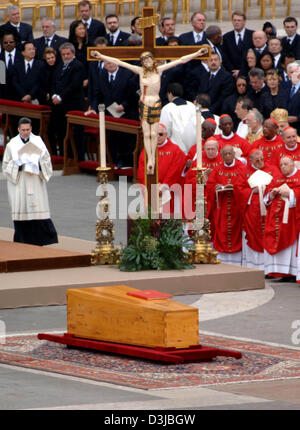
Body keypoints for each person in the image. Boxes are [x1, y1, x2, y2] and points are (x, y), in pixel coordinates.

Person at [91, 46, 208, 174]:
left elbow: (180, 60)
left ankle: (154, 156)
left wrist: (197, 53)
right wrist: (101, 56)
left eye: (149, 60)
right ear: (142, 62)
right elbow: (119, 62)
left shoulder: (159, 70)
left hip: (156, 103)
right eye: (145, 61)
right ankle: (150, 159)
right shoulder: (140, 71)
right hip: (145, 102)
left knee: (154, 133)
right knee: (147, 133)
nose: (147, 63)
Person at [2, 117, 58, 246]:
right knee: (22, 209)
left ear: (31, 128)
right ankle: (22, 240)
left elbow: (46, 161)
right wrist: (19, 164)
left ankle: (41, 240)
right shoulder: (12, 144)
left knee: (38, 209)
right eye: (23, 130)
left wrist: (36, 163)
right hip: (20, 180)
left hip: (35, 179)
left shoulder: (38, 141)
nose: (26, 132)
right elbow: (5, 166)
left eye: (28, 129)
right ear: (18, 129)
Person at [206, 144, 248, 265]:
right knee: (222, 231)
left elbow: (246, 186)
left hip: (236, 207)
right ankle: (222, 261)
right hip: (222, 208)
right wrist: (216, 187)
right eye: (225, 154)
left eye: (230, 153)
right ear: (221, 155)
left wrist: (235, 188)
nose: (228, 156)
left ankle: (237, 263)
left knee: (236, 231)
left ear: (234, 154)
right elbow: (209, 186)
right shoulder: (217, 169)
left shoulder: (242, 168)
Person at [242, 148, 280, 270]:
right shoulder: (245, 171)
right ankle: (253, 267)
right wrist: (252, 191)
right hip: (252, 212)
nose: (260, 161)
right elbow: (239, 189)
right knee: (253, 236)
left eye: (261, 158)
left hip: (269, 210)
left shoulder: (272, 170)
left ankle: (268, 268)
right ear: (250, 160)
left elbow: (278, 183)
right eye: (256, 159)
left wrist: (266, 189)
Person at [137, 123, 186, 215]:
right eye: (155, 135)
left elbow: (175, 170)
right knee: (151, 215)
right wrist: (150, 186)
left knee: (167, 217)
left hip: (168, 190)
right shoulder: (147, 151)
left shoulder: (175, 150)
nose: (158, 137)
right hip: (151, 190)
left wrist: (164, 186)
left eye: (161, 134)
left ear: (166, 135)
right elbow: (142, 172)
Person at [264, 156, 300, 279]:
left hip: (292, 218)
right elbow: (266, 197)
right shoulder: (278, 178)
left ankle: (291, 272)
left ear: (293, 164)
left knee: (290, 244)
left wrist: (290, 193)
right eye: (281, 165)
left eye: (285, 164)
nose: (283, 167)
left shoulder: (298, 176)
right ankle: (280, 271)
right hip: (276, 217)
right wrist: (271, 194)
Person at [50, 42, 86, 160]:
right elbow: (54, 81)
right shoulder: (60, 66)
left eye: (68, 54)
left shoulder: (78, 66)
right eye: (63, 54)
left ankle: (76, 158)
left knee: (75, 133)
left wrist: (61, 97)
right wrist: (54, 95)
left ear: (73, 53)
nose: (65, 56)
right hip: (59, 106)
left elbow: (74, 85)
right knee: (61, 131)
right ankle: (64, 156)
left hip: (73, 104)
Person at [159, 82, 196, 154]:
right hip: (192, 145)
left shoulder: (167, 108)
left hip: (176, 147)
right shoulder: (191, 106)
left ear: (170, 94)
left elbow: (165, 130)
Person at [222, 11, 254, 78]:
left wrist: (242, 71)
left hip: (248, 73)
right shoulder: (226, 37)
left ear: (244, 21)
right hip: (232, 74)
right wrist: (233, 71)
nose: (236, 22)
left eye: (239, 20)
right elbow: (225, 57)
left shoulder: (252, 35)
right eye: (234, 20)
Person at [0, 32, 23, 100]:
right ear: (2, 44)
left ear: (15, 43)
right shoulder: (0, 58)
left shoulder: (22, 57)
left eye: (11, 42)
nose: (8, 44)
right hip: (3, 97)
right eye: (5, 42)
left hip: (20, 97)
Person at [68, 20, 89, 90]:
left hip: (87, 79)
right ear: (74, 30)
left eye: (83, 29)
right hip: (73, 79)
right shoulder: (69, 45)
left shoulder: (89, 44)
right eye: (80, 29)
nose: (83, 31)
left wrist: (87, 78)